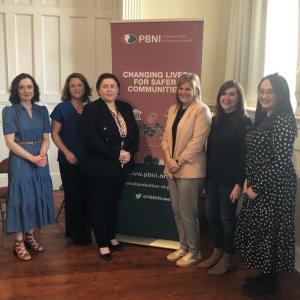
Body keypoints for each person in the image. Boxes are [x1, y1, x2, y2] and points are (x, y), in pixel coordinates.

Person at [235, 73, 297, 296]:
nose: (264, 95)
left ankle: (272, 283)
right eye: (261, 91)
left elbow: (279, 161)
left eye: (269, 91)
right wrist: (247, 179)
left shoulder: (284, 120)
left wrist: (256, 186)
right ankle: (264, 275)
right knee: (261, 233)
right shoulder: (265, 118)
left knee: (271, 233)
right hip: (258, 185)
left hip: (274, 189)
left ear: (280, 94)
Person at [81, 73, 139, 260]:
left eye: (112, 86)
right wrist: (116, 154)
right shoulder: (91, 109)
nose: (109, 89)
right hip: (101, 167)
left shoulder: (125, 107)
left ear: (118, 89)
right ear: (98, 90)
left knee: (114, 204)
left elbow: (134, 134)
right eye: (105, 86)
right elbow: (91, 139)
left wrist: (129, 152)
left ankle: (112, 236)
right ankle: (103, 242)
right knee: (100, 205)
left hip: (122, 166)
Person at [198, 80, 252, 275]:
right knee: (211, 216)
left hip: (230, 182)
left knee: (227, 220)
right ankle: (217, 252)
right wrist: (205, 178)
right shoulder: (215, 121)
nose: (226, 98)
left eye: (232, 94)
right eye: (224, 93)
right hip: (212, 179)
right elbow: (210, 152)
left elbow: (244, 158)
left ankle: (228, 258)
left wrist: (239, 184)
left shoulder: (246, 122)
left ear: (238, 99)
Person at [2, 73, 54, 261]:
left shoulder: (42, 110)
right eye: (22, 87)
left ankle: (30, 235)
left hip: (40, 158)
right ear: (16, 90)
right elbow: (10, 142)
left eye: (29, 87)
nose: (26, 90)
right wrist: (32, 158)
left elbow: (47, 138)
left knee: (36, 196)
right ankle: (18, 242)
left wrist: (41, 154)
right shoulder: (9, 111)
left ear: (34, 89)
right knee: (21, 199)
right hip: (21, 159)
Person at [161, 73, 211, 267]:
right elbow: (165, 137)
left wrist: (178, 161)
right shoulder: (174, 109)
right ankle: (183, 246)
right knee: (176, 210)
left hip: (190, 169)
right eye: (180, 88)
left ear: (196, 90)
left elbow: (197, 143)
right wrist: (168, 160)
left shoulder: (202, 110)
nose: (183, 92)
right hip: (172, 167)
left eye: (187, 89)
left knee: (188, 212)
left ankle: (194, 251)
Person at [50, 73, 92, 245]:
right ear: (68, 88)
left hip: (89, 159)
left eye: (79, 85)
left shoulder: (92, 106)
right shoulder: (62, 108)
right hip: (68, 159)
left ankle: (86, 230)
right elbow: (55, 134)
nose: (76, 88)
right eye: (72, 85)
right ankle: (75, 232)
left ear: (85, 87)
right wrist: (67, 153)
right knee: (73, 196)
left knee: (88, 195)